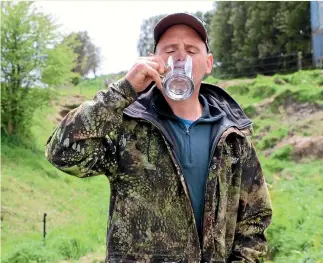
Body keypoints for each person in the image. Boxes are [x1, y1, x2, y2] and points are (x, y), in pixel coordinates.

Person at [45, 13, 272, 263]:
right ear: (153, 61)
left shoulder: (233, 137)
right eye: (170, 49)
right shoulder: (128, 128)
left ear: (208, 64)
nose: (180, 57)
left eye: (191, 50)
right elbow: (62, 153)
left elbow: (255, 219)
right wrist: (123, 90)